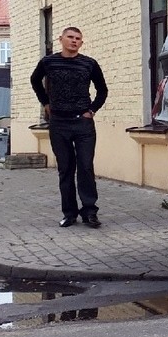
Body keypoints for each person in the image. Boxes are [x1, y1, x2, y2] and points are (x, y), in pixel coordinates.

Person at [30, 27, 109, 228]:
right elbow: (35, 80)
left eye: (78, 38)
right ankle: (69, 214)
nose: (74, 41)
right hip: (59, 123)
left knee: (85, 167)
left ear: (81, 43)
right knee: (65, 169)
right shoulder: (48, 62)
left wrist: (92, 110)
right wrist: (45, 103)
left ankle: (90, 212)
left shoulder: (89, 64)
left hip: (83, 123)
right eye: (70, 37)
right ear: (61, 39)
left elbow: (102, 90)